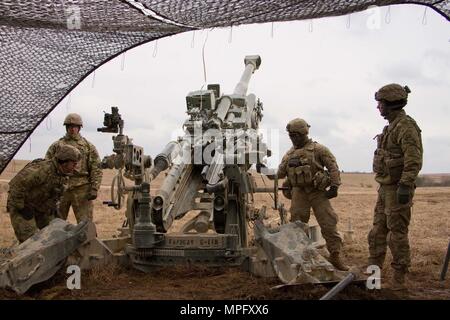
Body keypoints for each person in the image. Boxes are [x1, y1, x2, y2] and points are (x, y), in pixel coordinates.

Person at [368, 84, 423, 290]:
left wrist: (405, 186)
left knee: (397, 235)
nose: (378, 108)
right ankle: (373, 277)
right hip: (385, 189)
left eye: (380, 103)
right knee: (376, 233)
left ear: (390, 104)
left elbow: (413, 160)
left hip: (397, 189)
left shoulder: (405, 127)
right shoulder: (391, 127)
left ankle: (399, 281)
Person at [277, 118, 348, 271]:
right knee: (297, 226)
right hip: (299, 193)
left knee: (328, 224)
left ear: (304, 133)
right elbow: (280, 173)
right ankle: (302, 258)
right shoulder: (289, 154)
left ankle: (335, 256)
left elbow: (333, 168)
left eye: (295, 135)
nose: (293, 138)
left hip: (317, 192)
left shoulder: (319, 149)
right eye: (290, 135)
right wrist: (264, 169)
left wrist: (335, 186)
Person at [7, 145, 81, 243]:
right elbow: (15, 186)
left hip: (42, 210)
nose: (75, 167)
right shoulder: (42, 170)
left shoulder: (62, 174)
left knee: (57, 235)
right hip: (23, 208)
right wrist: (21, 207)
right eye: (74, 164)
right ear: (64, 162)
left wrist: (55, 214)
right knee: (31, 243)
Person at [46, 113, 103, 222]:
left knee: (85, 224)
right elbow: (48, 165)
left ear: (79, 128)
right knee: (55, 222)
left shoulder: (88, 146)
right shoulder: (57, 145)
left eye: (75, 127)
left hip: (82, 188)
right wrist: (49, 187)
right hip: (61, 188)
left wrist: (95, 188)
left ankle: (87, 239)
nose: (72, 129)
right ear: (66, 127)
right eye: (70, 127)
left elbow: (96, 167)